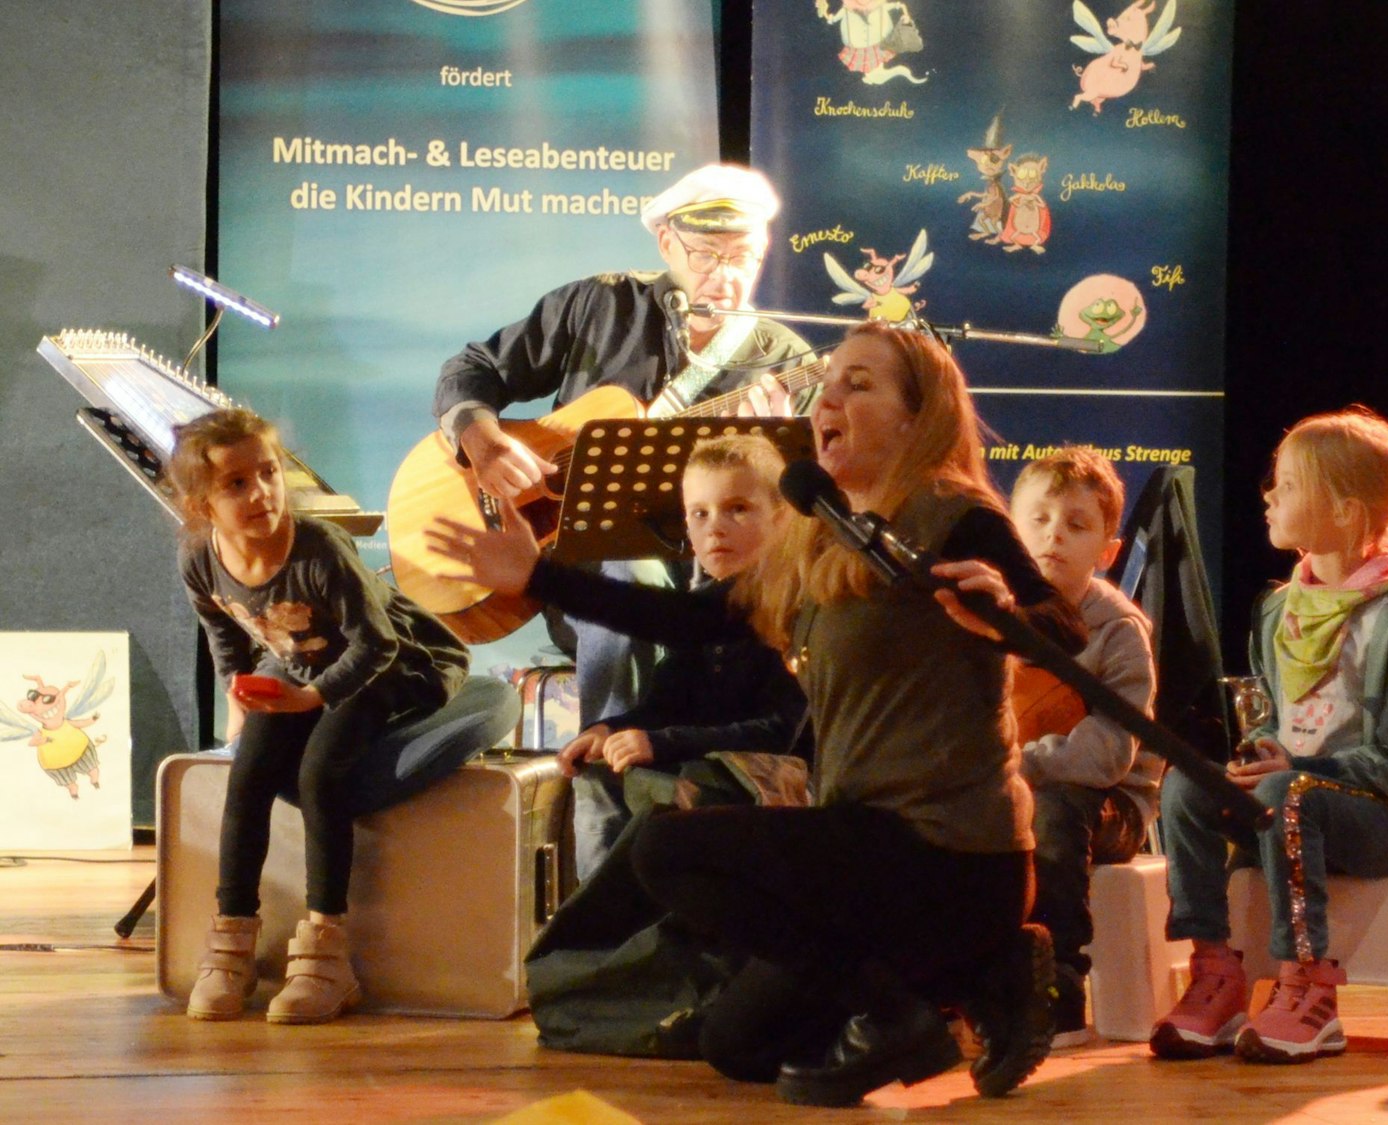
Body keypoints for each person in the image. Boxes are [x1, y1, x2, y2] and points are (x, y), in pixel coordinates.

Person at [426, 321, 1087, 1107]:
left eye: (860, 383)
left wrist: (1005, 609)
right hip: (863, 849)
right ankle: (974, 977)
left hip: (950, 854)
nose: (827, 396)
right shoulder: (817, 531)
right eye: (828, 381)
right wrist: (542, 577)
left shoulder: (956, 517)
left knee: (667, 846)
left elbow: (1063, 632)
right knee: (738, 1044)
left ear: (920, 415)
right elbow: (698, 619)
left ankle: (907, 999)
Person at [434, 161, 814, 726]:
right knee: (629, 567)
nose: (725, 276)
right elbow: (472, 369)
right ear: (666, 242)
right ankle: (613, 786)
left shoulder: (784, 361)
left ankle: (646, 774)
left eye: (743, 258)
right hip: (576, 578)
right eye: (707, 254)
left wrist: (772, 452)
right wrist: (485, 445)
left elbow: (795, 527)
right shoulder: (599, 305)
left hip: (712, 597)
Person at [1150, 409, 1388, 1064]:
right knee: (1185, 785)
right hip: (1293, 799)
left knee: (1290, 793)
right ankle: (1216, 968)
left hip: (1385, 821)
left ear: (1345, 512)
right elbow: (1275, 720)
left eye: (1288, 485)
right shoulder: (1276, 611)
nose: (1269, 494)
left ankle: (1310, 986)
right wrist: (1260, 748)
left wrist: (1295, 767)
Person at [170, 408, 469, 1024]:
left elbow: (378, 644)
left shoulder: (319, 548)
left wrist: (311, 700)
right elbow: (226, 635)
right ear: (202, 504)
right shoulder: (200, 559)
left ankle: (327, 951)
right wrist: (241, 698)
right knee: (248, 774)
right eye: (236, 484)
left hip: (391, 664)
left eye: (269, 473)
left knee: (319, 775)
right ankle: (231, 943)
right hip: (303, 663)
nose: (261, 493)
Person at [559, 434, 809, 880]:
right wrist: (610, 729)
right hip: (706, 762)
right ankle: (602, 936)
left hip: (777, 785)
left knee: (670, 786)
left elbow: (782, 731)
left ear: (783, 518)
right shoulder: (697, 614)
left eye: (738, 509)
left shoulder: (797, 608)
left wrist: (661, 743)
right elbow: (666, 706)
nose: (716, 527)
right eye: (700, 514)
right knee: (599, 778)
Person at [1006, 445, 1160, 1048]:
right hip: (1007, 786)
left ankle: (1059, 982)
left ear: (1107, 551)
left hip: (1109, 804)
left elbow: (1105, 757)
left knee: (1056, 810)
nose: (1054, 537)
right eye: (1038, 520)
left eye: (1076, 525)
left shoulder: (1117, 630)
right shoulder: (989, 616)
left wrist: (1010, 767)